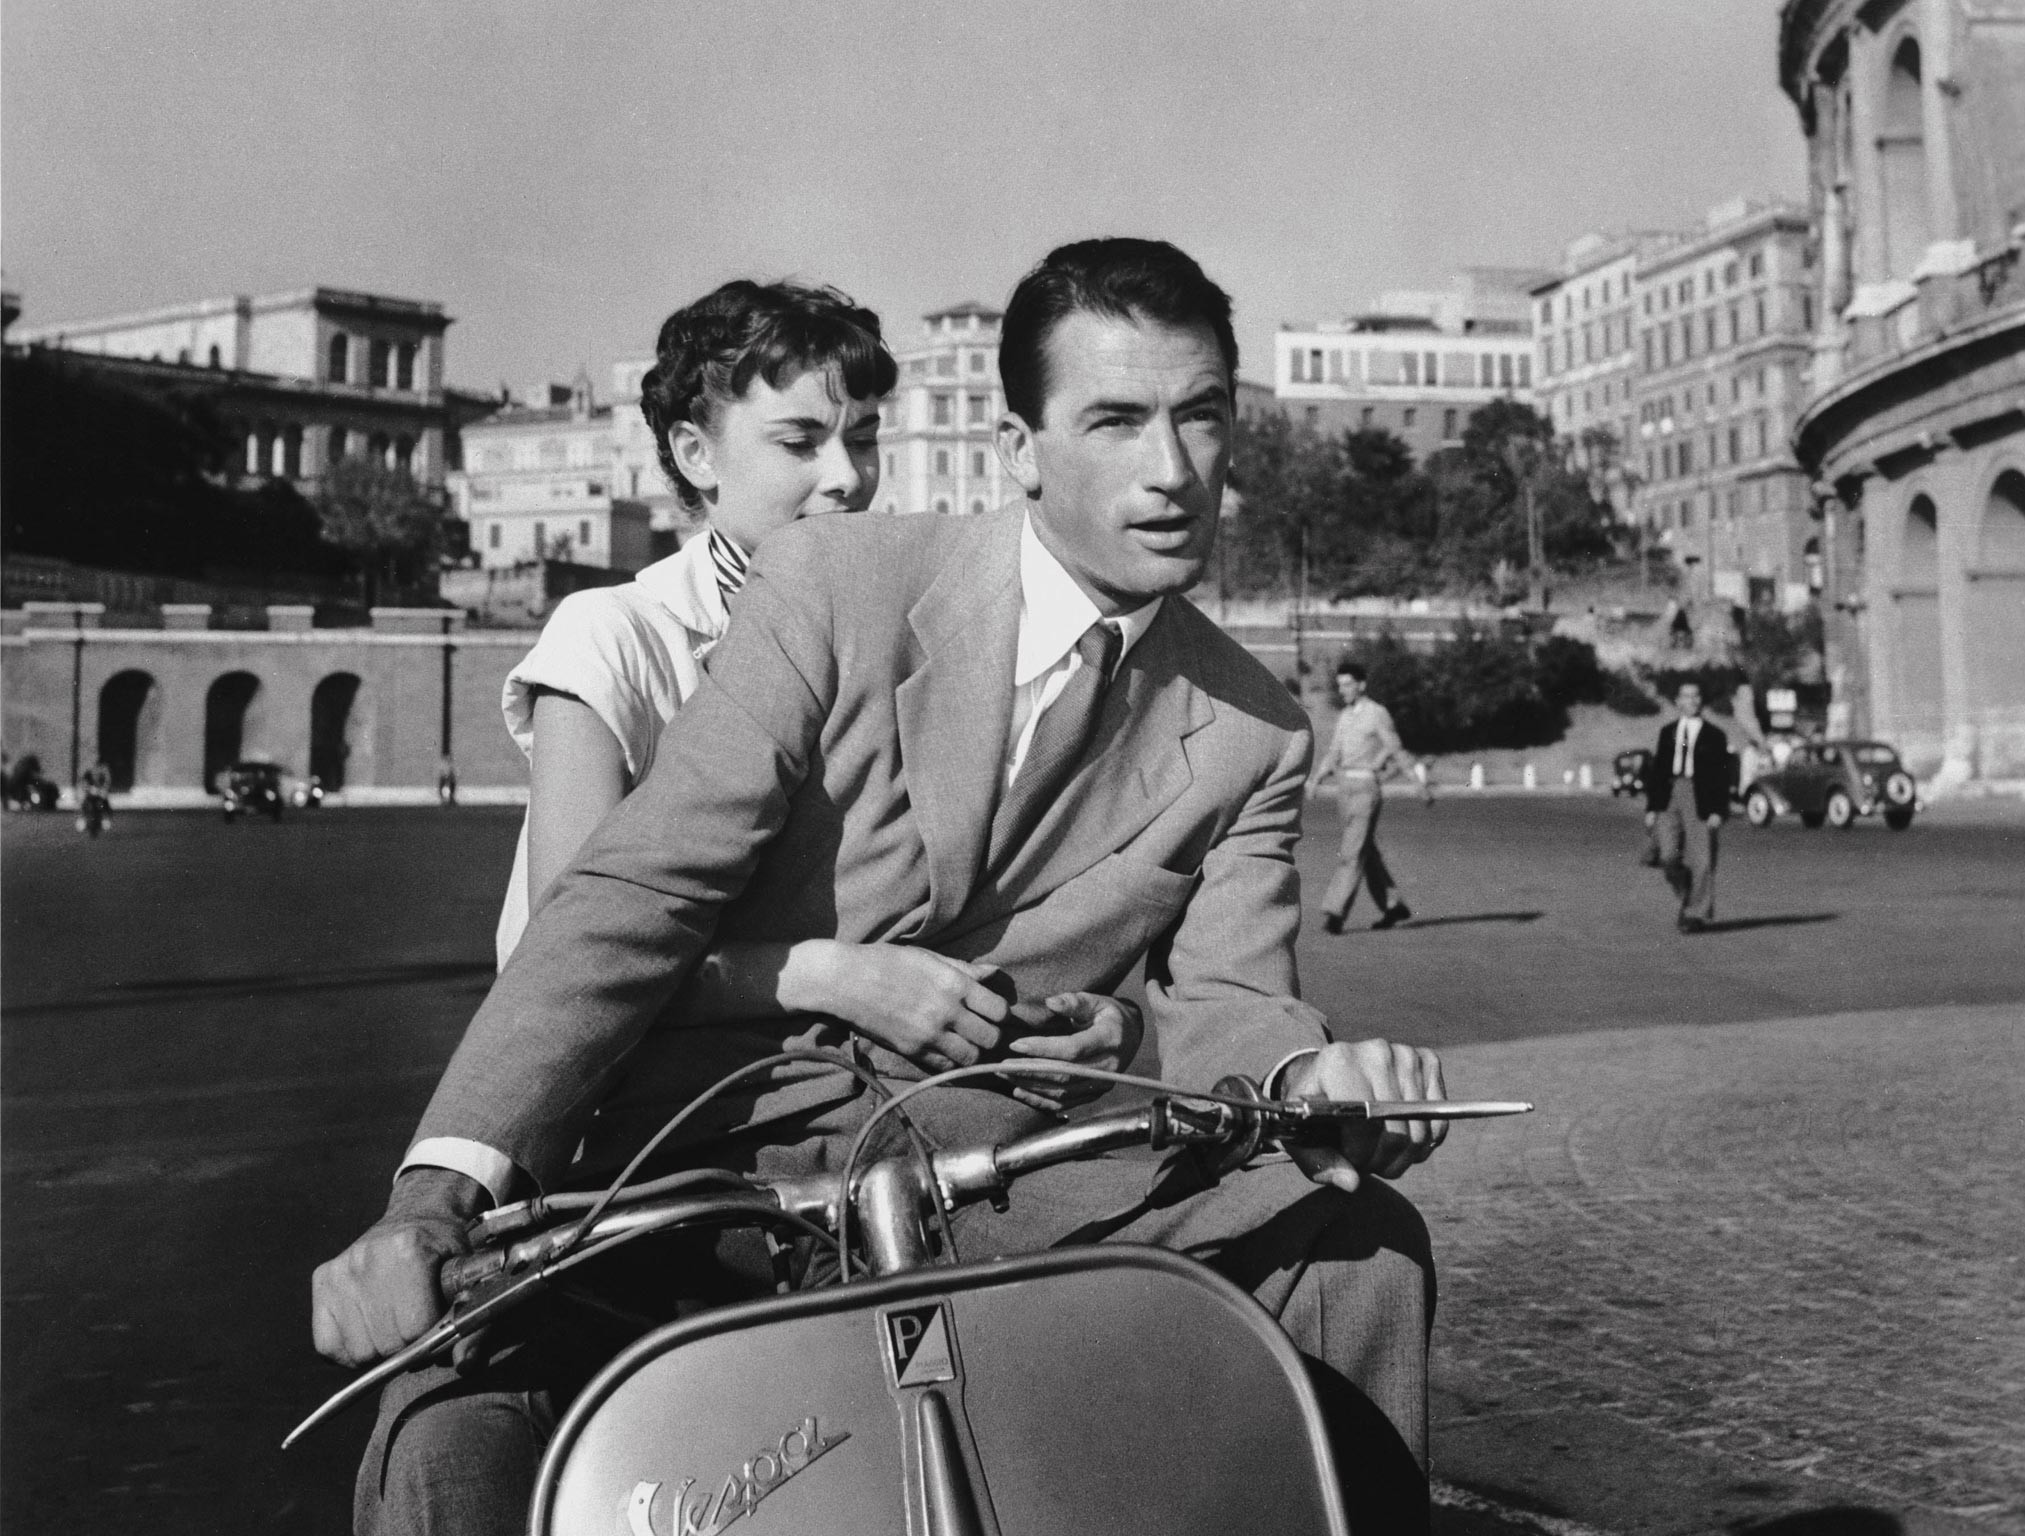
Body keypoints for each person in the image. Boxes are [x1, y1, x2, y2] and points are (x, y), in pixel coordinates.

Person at [313, 239, 1450, 1535]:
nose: (1172, 469)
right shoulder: (835, 583)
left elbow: (1240, 999)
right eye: (1117, 420)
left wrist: (1298, 1079)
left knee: (1358, 1254)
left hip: (1018, 1163)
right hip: (717, 1149)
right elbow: (629, 898)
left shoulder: (1257, 725)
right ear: (1019, 445)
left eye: (1202, 417)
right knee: (450, 1414)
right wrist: (434, 1198)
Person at [495, 279, 1134, 1099]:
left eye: (862, 440)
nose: (847, 478)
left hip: (840, 1116)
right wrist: (833, 977)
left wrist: (1073, 1016)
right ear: (696, 454)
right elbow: (563, 960)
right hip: (624, 1134)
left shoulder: (904, 631)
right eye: (799, 442)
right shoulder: (613, 634)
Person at [1311, 660, 1432, 933]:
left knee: (1352, 852)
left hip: (1366, 789)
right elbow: (1333, 753)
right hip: (1344, 789)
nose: (1343, 690)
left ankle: (1335, 912)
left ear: (1362, 685)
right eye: (1340, 685)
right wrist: (1316, 779)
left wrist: (1418, 784)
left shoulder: (1377, 714)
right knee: (1365, 850)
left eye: (1348, 684)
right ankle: (1392, 905)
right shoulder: (1345, 717)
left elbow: (1396, 749)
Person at [1642, 679, 1734, 932]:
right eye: (1686, 696)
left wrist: (1718, 810)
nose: (1691, 701)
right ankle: (1686, 889)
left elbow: (1722, 775)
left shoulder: (1715, 735)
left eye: (1696, 696)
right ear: (1677, 702)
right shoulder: (1667, 731)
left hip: (1700, 795)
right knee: (1668, 855)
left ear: (1701, 701)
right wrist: (1651, 808)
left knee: (1701, 858)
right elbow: (1658, 771)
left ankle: (1694, 913)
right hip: (1669, 794)